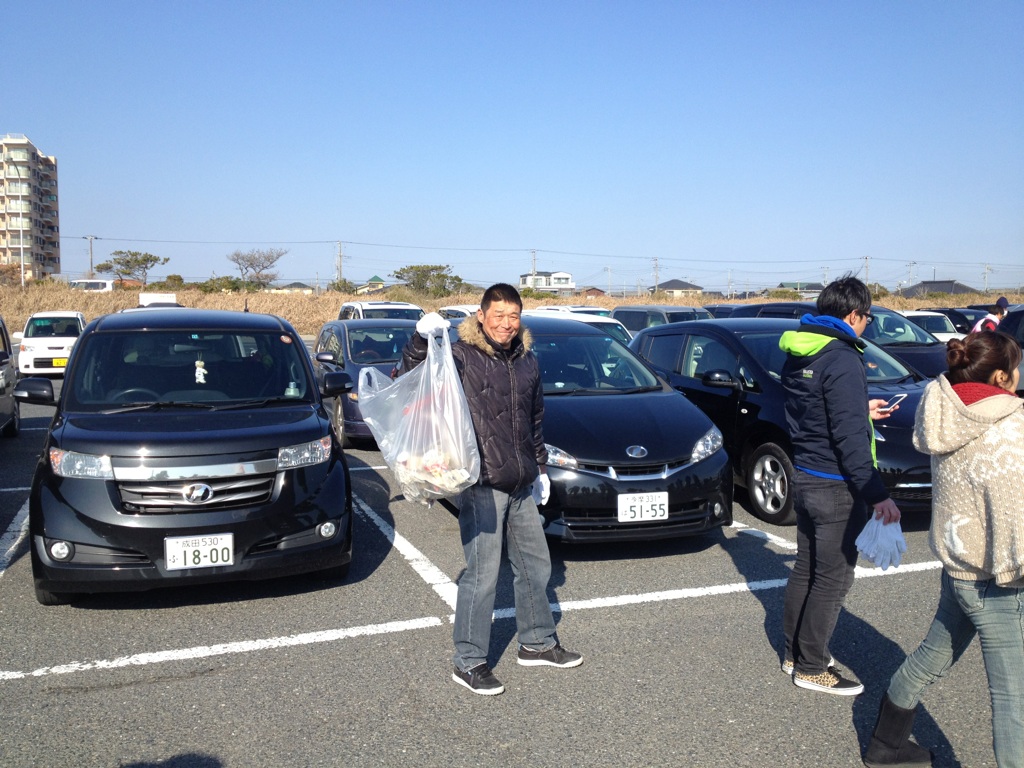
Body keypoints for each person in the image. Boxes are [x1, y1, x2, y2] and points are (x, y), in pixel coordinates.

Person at [402, 283, 582, 696]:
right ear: (481, 317)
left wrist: (540, 469)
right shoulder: (460, 355)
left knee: (536, 566)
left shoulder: (527, 360)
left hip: (520, 481)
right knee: (482, 575)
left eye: (513, 316)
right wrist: (419, 341)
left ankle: (536, 643)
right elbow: (411, 378)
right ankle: (468, 661)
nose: (506, 323)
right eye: (498, 315)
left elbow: (535, 418)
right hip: (481, 482)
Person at [862, 331, 1024, 768]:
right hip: (1001, 575)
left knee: (932, 657)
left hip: (958, 566)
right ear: (1001, 376)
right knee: (1013, 695)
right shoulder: (1010, 425)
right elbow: (1016, 509)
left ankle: (885, 745)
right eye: (1016, 369)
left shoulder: (943, 410)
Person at [778, 275, 902, 695]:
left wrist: (859, 409)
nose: (867, 325)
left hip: (805, 474)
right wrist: (878, 495)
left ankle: (794, 653)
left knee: (807, 568)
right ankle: (812, 666)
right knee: (833, 578)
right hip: (835, 485)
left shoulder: (801, 348)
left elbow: (812, 409)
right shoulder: (843, 357)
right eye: (868, 317)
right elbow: (849, 439)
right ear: (853, 315)